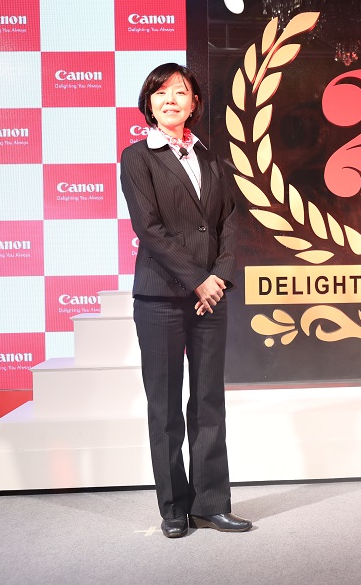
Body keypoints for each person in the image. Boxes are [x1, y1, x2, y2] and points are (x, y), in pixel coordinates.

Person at [120, 63, 251, 539]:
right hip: (160, 297)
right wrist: (199, 280)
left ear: (195, 103)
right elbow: (149, 229)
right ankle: (174, 507)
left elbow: (229, 223)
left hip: (210, 296)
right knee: (166, 405)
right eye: (160, 92)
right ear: (149, 103)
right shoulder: (137, 158)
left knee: (208, 401)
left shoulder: (212, 159)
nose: (170, 99)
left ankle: (212, 503)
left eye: (181, 92)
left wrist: (218, 276)